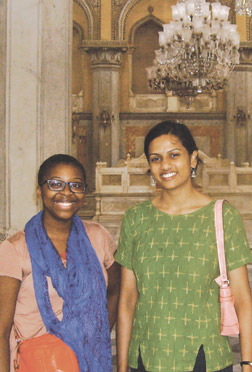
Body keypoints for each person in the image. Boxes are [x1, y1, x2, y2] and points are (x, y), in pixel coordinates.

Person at [115, 121, 252, 372]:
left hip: (204, 357)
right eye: (156, 158)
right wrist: (122, 366)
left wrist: (247, 364)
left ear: (193, 159)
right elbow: (127, 298)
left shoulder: (223, 215)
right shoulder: (136, 218)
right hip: (146, 356)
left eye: (174, 155)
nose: (165, 165)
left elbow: (243, 299)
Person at [0, 154, 120, 372]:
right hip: (38, 361)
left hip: (90, 361)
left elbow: (114, 291)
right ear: (39, 191)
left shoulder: (99, 236)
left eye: (76, 185)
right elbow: (1, 328)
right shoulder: (16, 248)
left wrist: (95, 335)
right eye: (55, 184)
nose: (66, 192)